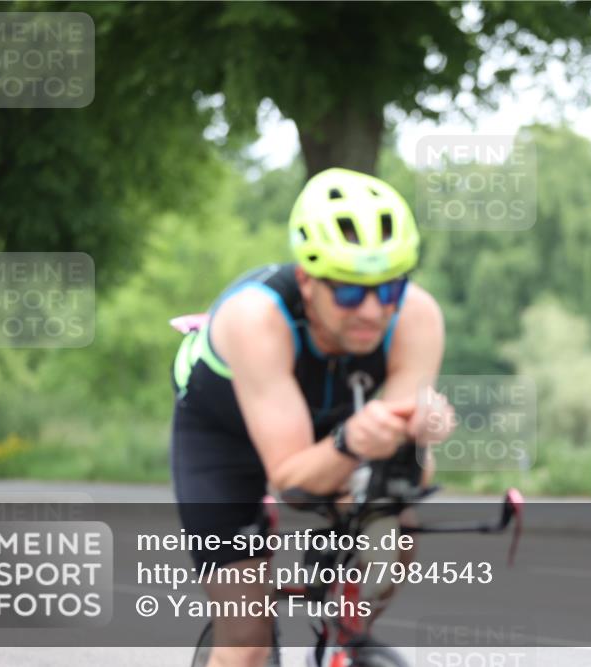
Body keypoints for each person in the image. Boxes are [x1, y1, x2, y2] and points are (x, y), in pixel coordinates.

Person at [169, 168, 454, 667]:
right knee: (246, 639)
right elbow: (294, 485)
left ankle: (344, 642)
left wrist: (415, 439)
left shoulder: (417, 315)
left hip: (330, 420)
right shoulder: (255, 319)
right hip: (223, 432)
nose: (372, 311)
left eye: (388, 289)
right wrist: (352, 444)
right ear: (306, 280)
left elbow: (409, 474)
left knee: (397, 526)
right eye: (349, 292)